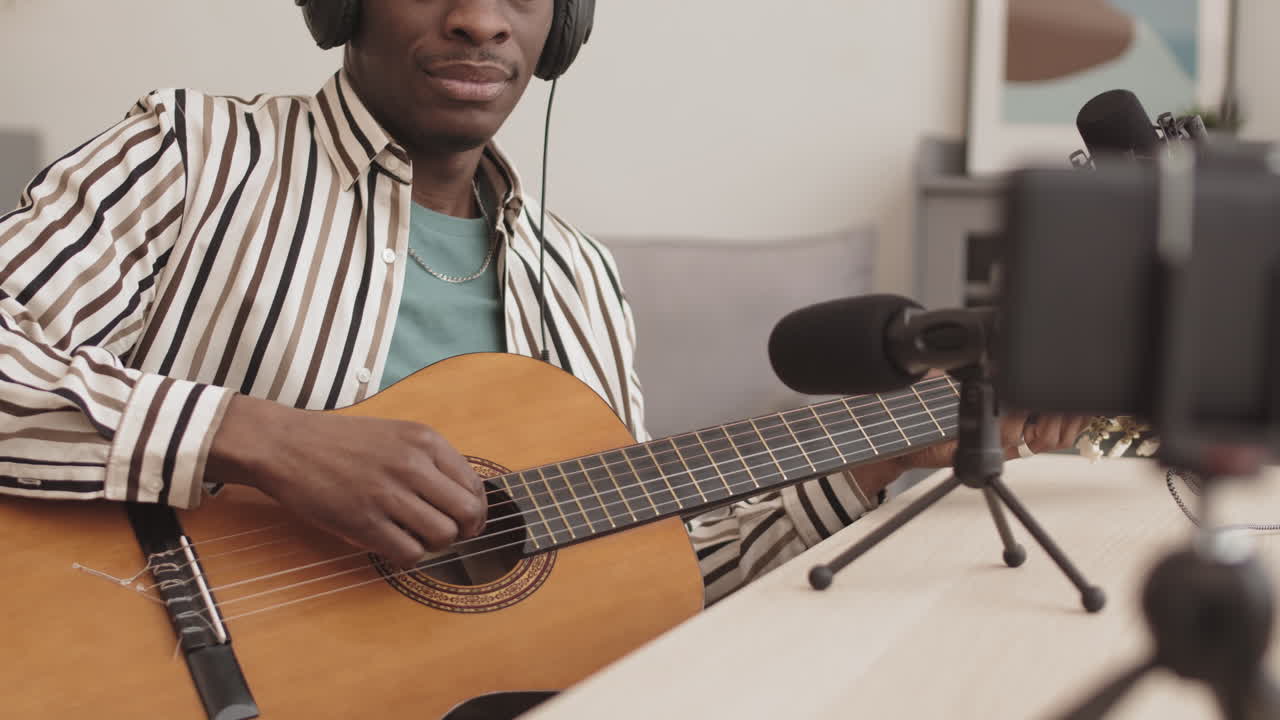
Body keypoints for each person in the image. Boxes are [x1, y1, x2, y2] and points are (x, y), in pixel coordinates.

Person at [0, 0, 1087, 608]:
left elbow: (634, 583)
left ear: (561, 29)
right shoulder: (195, 151)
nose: (480, 20)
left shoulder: (579, 280)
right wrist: (259, 436)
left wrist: (875, 460)